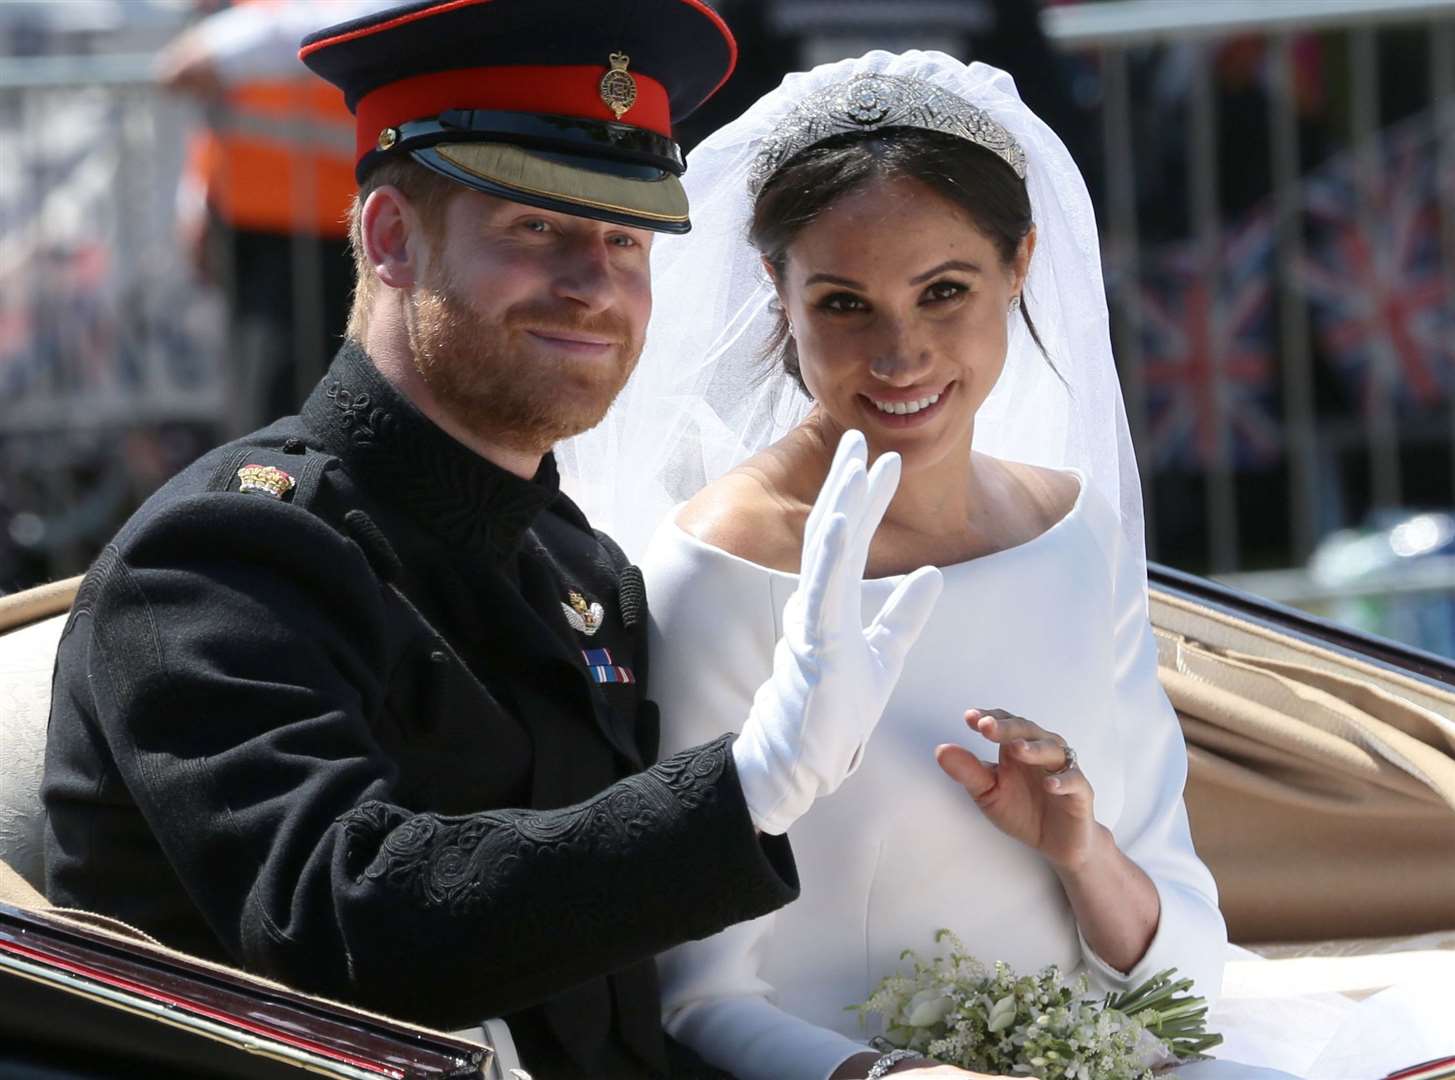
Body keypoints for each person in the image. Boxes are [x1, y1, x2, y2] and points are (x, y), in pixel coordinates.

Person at [41, 6, 946, 1078]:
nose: (596, 284)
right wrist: (746, 786)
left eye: (625, 238)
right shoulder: (223, 557)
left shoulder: (577, 565)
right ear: (388, 239)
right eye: (535, 230)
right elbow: (348, 925)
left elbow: (614, 1005)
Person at [558, 51, 1228, 1080]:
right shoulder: (719, 566)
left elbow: (1186, 954)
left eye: (944, 290)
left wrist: (1083, 853)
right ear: (778, 296)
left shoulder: (1074, 531)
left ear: (1021, 266)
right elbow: (696, 992)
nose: (901, 354)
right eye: (844, 304)